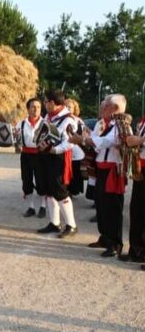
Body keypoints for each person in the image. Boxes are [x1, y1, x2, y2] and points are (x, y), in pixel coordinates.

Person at [70, 94, 127, 257]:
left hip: (113, 171)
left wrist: (82, 139)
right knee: (101, 205)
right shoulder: (104, 124)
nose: (102, 109)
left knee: (112, 208)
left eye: (106, 106)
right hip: (102, 168)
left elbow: (104, 142)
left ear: (114, 109)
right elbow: (96, 144)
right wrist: (85, 140)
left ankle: (115, 243)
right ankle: (105, 238)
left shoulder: (120, 125)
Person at [36, 90, 78, 238]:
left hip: (58, 157)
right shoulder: (49, 116)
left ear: (53, 102)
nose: (44, 104)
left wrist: (54, 150)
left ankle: (71, 225)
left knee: (60, 191)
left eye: (46, 101)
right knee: (49, 190)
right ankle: (54, 223)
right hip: (47, 155)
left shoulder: (69, 119)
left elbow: (70, 142)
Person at [117, 115, 145, 263]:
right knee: (137, 211)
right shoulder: (143, 121)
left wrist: (140, 140)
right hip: (141, 167)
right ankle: (136, 251)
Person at [15, 98, 46, 218]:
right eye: (33, 107)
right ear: (28, 109)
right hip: (26, 154)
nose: (36, 109)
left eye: (38, 107)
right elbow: (17, 140)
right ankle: (31, 207)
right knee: (26, 180)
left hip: (40, 155)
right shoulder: (21, 123)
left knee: (41, 181)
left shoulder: (45, 123)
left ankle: (43, 206)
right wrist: (16, 140)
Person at [65, 98, 85, 196]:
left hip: (76, 149)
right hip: (65, 148)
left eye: (70, 107)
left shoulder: (78, 120)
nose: (68, 109)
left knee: (75, 170)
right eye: (66, 107)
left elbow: (83, 133)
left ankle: (73, 190)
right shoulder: (61, 119)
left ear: (74, 109)